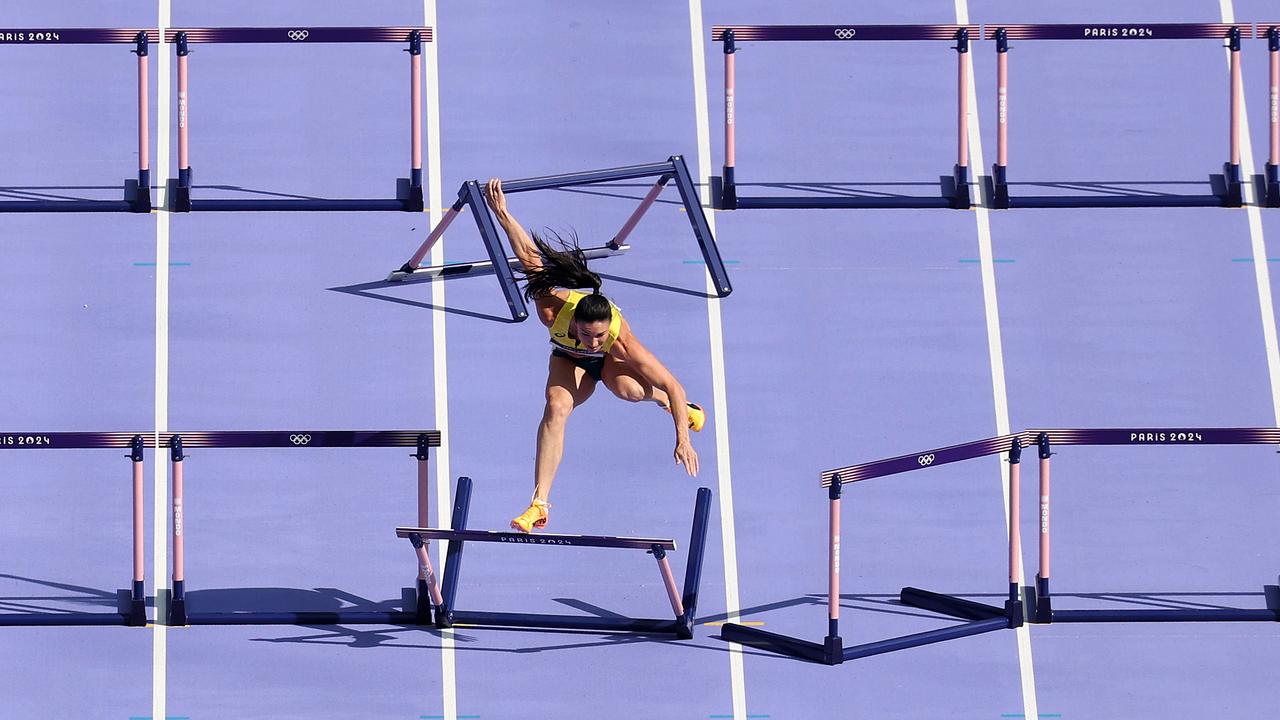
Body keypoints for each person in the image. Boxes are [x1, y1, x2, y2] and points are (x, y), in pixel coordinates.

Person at [484, 178, 705, 533]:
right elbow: (528, 254)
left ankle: (671, 407)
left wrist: (683, 437)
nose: (592, 340)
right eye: (587, 334)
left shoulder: (622, 342)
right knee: (556, 408)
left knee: (630, 391)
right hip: (567, 361)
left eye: (598, 335)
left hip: (612, 365)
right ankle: (539, 505)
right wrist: (503, 214)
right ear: (576, 322)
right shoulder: (552, 309)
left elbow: (675, 382)